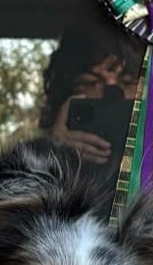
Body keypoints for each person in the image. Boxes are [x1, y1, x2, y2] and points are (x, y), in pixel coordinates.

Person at [39, 23, 143, 174]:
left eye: (127, 82)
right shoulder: (50, 159)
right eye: (91, 83)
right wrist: (53, 157)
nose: (112, 94)